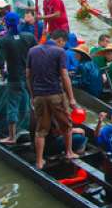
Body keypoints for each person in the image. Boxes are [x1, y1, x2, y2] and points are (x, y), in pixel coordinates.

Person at [26, 29, 79, 169]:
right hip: (55, 94)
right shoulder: (59, 52)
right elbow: (64, 75)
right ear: (60, 40)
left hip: (39, 96)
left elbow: (28, 75)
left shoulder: (33, 51)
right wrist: (71, 98)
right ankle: (69, 152)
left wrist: (33, 95)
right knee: (66, 125)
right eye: (63, 43)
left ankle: (39, 161)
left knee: (41, 129)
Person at [0, 12, 37, 144]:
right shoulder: (29, 37)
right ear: (19, 22)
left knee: (12, 106)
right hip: (28, 77)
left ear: (6, 24)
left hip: (14, 78)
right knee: (27, 103)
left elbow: (0, 63)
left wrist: (3, 73)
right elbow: (37, 53)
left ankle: (12, 136)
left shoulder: (4, 40)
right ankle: (29, 130)